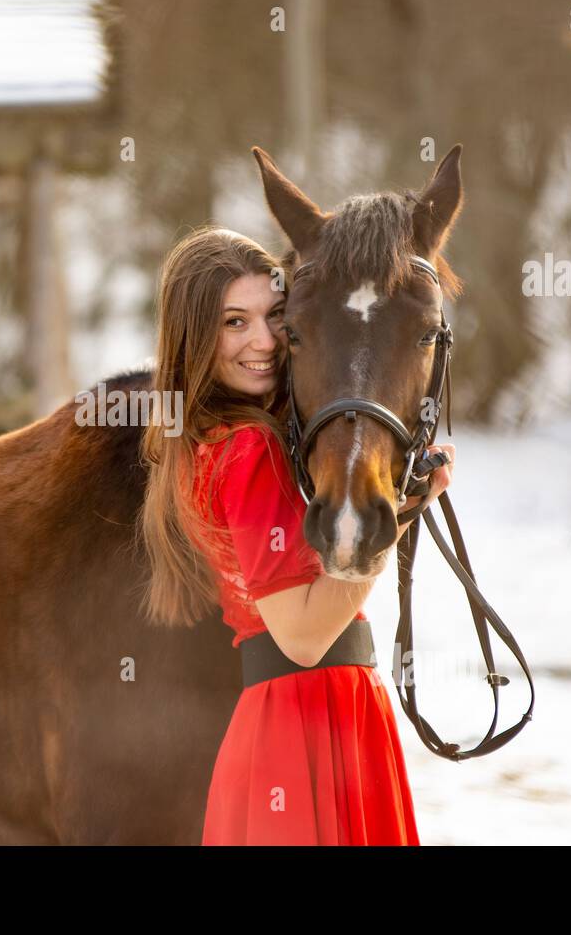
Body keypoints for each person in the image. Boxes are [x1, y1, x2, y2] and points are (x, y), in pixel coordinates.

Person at [137, 226, 453, 845]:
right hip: (308, 722)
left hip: (304, 720)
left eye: (274, 315)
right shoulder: (248, 449)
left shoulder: (221, 440)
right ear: (193, 338)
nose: (263, 341)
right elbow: (303, 635)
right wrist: (400, 510)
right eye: (234, 322)